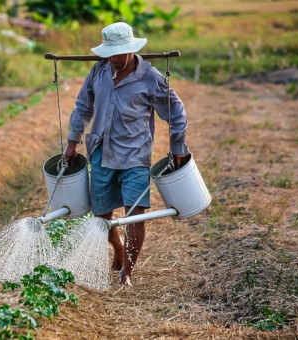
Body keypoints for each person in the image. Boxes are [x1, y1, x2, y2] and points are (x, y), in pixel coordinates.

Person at [63, 22, 189, 286]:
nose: (114, 59)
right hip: (101, 152)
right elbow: (82, 107)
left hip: (135, 156)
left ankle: (127, 273)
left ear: (131, 50)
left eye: (119, 54)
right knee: (102, 216)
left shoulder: (150, 78)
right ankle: (118, 248)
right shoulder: (98, 72)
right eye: (110, 54)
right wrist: (72, 141)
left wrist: (178, 147)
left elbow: (176, 113)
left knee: (136, 214)